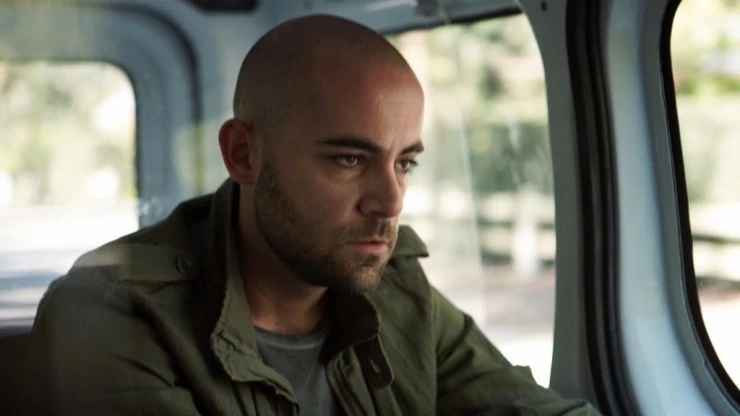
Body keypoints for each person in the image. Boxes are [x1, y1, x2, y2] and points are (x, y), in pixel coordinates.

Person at [32, 14, 600, 416]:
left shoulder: (397, 290)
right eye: (348, 159)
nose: (391, 202)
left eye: (405, 163)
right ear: (243, 154)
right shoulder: (116, 310)